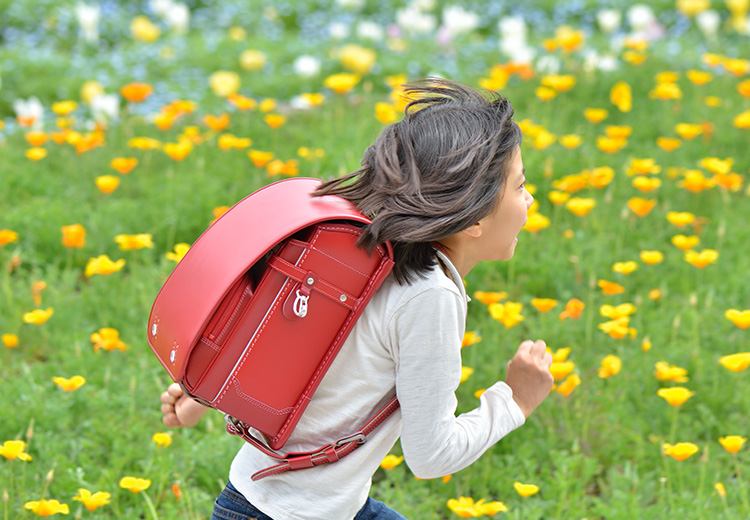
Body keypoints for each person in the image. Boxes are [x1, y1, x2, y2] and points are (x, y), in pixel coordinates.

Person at [160, 78, 554, 520]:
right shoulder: (431, 297)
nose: (530, 198)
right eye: (519, 187)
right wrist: (515, 401)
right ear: (475, 217)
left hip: (280, 504)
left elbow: (298, 344)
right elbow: (431, 454)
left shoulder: (362, 249)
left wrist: (207, 395)